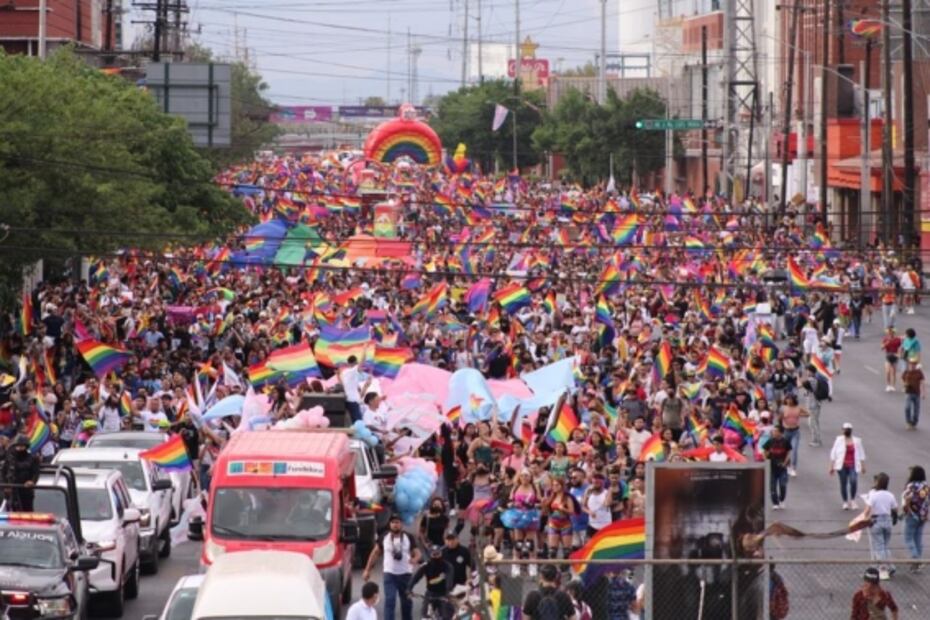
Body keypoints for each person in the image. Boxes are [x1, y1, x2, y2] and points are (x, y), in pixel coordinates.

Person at [363, 514, 421, 620]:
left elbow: (417, 553)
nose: (395, 525)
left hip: (406, 574)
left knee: (406, 601)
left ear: (401, 524)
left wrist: (415, 559)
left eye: (397, 522)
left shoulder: (408, 537)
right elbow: (375, 553)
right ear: (390, 524)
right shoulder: (384, 537)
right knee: (390, 600)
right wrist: (367, 570)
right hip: (389, 574)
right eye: (393, 522)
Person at [864, 473, 899, 580]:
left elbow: (867, 510)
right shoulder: (890, 495)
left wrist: (865, 519)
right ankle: (891, 566)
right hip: (887, 520)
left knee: (878, 546)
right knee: (885, 545)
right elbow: (895, 509)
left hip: (876, 520)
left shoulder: (874, 495)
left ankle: (883, 569)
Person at [409, 545, 454, 620]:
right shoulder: (426, 565)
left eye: (438, 554)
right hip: (430, 594)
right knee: (425, 617)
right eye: (434, 554)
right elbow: (416, 577)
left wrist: (448, 591)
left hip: (443, 594)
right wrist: (409, 589)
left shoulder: (447, 566)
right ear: (430, 555)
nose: (436, 557)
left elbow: (449, 579)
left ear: (441, 554)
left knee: (447, 616)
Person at [829, 423, 866, 510]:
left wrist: (863, 466)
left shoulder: (857, 441)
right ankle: (845, 502)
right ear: (842, 430)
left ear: (851, 430)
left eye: (848, 429)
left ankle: (853, 500)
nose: (847, 431)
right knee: (843, 483)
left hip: (853, 465)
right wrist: (831, 466)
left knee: (853, 481)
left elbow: (861, 453)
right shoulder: (839, 440)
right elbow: (833, 453)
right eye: (845, 429)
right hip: (842, 466)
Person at [901, 465, 930, 571]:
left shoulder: (911, 486)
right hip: (923, 515)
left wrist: (907, 510)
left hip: (912, 515)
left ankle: (915, 559)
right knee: (918, 539)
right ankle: (918, 561)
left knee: (908, 538)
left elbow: (906, 498)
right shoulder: (926, 486)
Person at [2, 435, 40, 511]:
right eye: (18, 446)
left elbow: (36, 472)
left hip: (26, 491)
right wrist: (5, 485)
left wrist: (32, 481)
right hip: (13, 491)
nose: (19, 448)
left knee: (27, 513)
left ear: (26, 446)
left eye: (22, 446)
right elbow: (3, 472)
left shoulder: (32, 458)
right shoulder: (10, 459)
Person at [762, 425, 791, 510]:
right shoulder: (770, 441)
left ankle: (782, 500)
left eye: (775, 431)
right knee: (772, 486)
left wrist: (785, 462)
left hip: (782, 467)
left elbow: (789, 452)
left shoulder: (785, 441)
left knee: (783, 485)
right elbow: (764, 451)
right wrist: (766, 458)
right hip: (772, 467)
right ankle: (775, 503)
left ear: (780, 433)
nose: (773, 432)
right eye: (773, 431)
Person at [900, 358, 925, 429]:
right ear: (909, 364)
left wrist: (923, 393)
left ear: (916, 364)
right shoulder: (906, 372)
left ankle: (914, 423)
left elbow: (922, 382)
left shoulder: (919, 372)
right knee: (907, 407)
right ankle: (908, 422)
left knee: (916, 410)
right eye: (911, 363)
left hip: (917, 393)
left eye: (914, 363)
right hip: (909, 393)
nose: (912, 365)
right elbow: (902, 379)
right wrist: (904, 386)